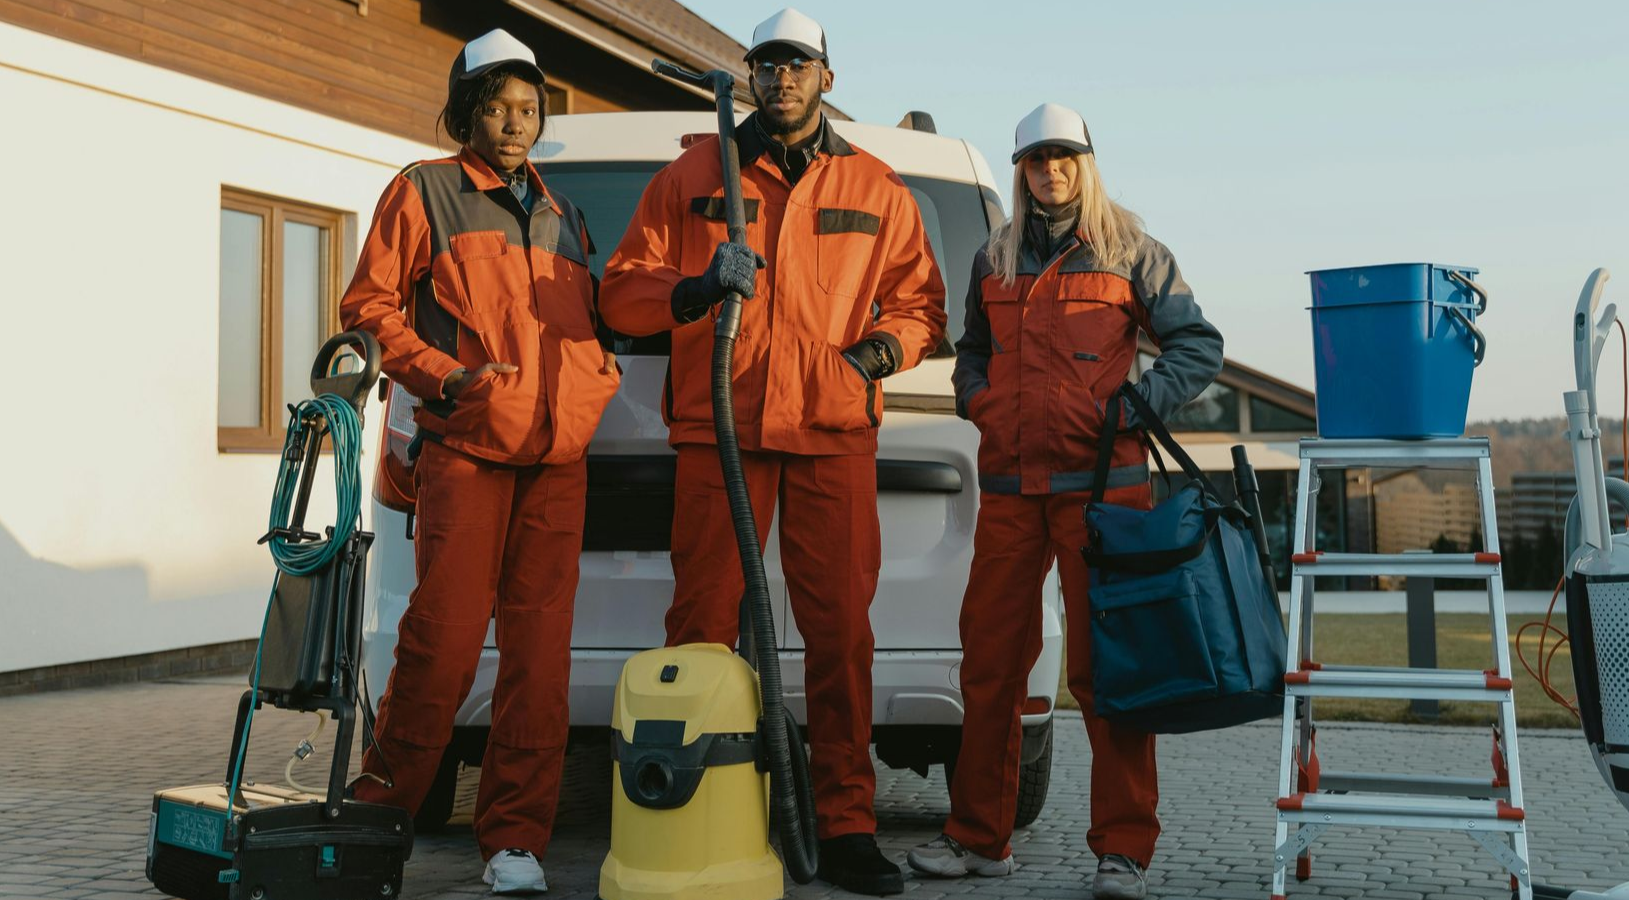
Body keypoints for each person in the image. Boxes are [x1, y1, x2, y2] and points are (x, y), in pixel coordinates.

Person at [600, 7, 946, 896]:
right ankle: (700, 805)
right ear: (749, 75)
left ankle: (845, 823)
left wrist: (872, 356)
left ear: (827, 77)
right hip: (722, 430)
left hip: (832, 429)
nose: (782, 78)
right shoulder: (691, 173)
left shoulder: (877, 185)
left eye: (798, 65)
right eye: (768, 64)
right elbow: (624, 295)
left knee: (840, 634)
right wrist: (695, 286)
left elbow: (919, 306)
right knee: (705, 628)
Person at [906, 103, 1225, 900]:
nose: (1049, 170)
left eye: (1063, 157)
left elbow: (1199, 344)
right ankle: (980, 839)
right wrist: (980, 401)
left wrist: (1136, 402)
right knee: (989, 667)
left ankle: (1122, 850)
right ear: (1019, 171)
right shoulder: (995, 257)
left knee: (1109, 673)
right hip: (1012, 491)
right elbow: (969, 355)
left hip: (1104, 494)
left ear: (1087, 162)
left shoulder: (1132, 251)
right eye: (1035, 159)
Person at [338, 28, 620, 896]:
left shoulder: (564, 214)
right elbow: (370, 308)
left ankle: (515, 842)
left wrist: (597, 377)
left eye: (528, 109)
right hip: (464, 450)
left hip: (556, 462)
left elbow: (589, 326)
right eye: (495, 107)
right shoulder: (424, 192)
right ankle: (375, 823)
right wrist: (449, 376)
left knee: (540, 661)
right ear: (466, 110)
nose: (513, 123)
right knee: (441, 645)